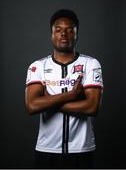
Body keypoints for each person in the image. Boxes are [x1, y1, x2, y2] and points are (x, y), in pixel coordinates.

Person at [25, 9, 103, 169]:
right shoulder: (38, 66)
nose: (64, 34)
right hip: (46, 150)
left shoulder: (91, 64)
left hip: (81, 151)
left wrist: (49, 101)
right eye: (58, 30)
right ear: (51, 34)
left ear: (77, 34)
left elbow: (92, 107)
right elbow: (32, 106)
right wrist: (71, 95)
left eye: (69, 30)